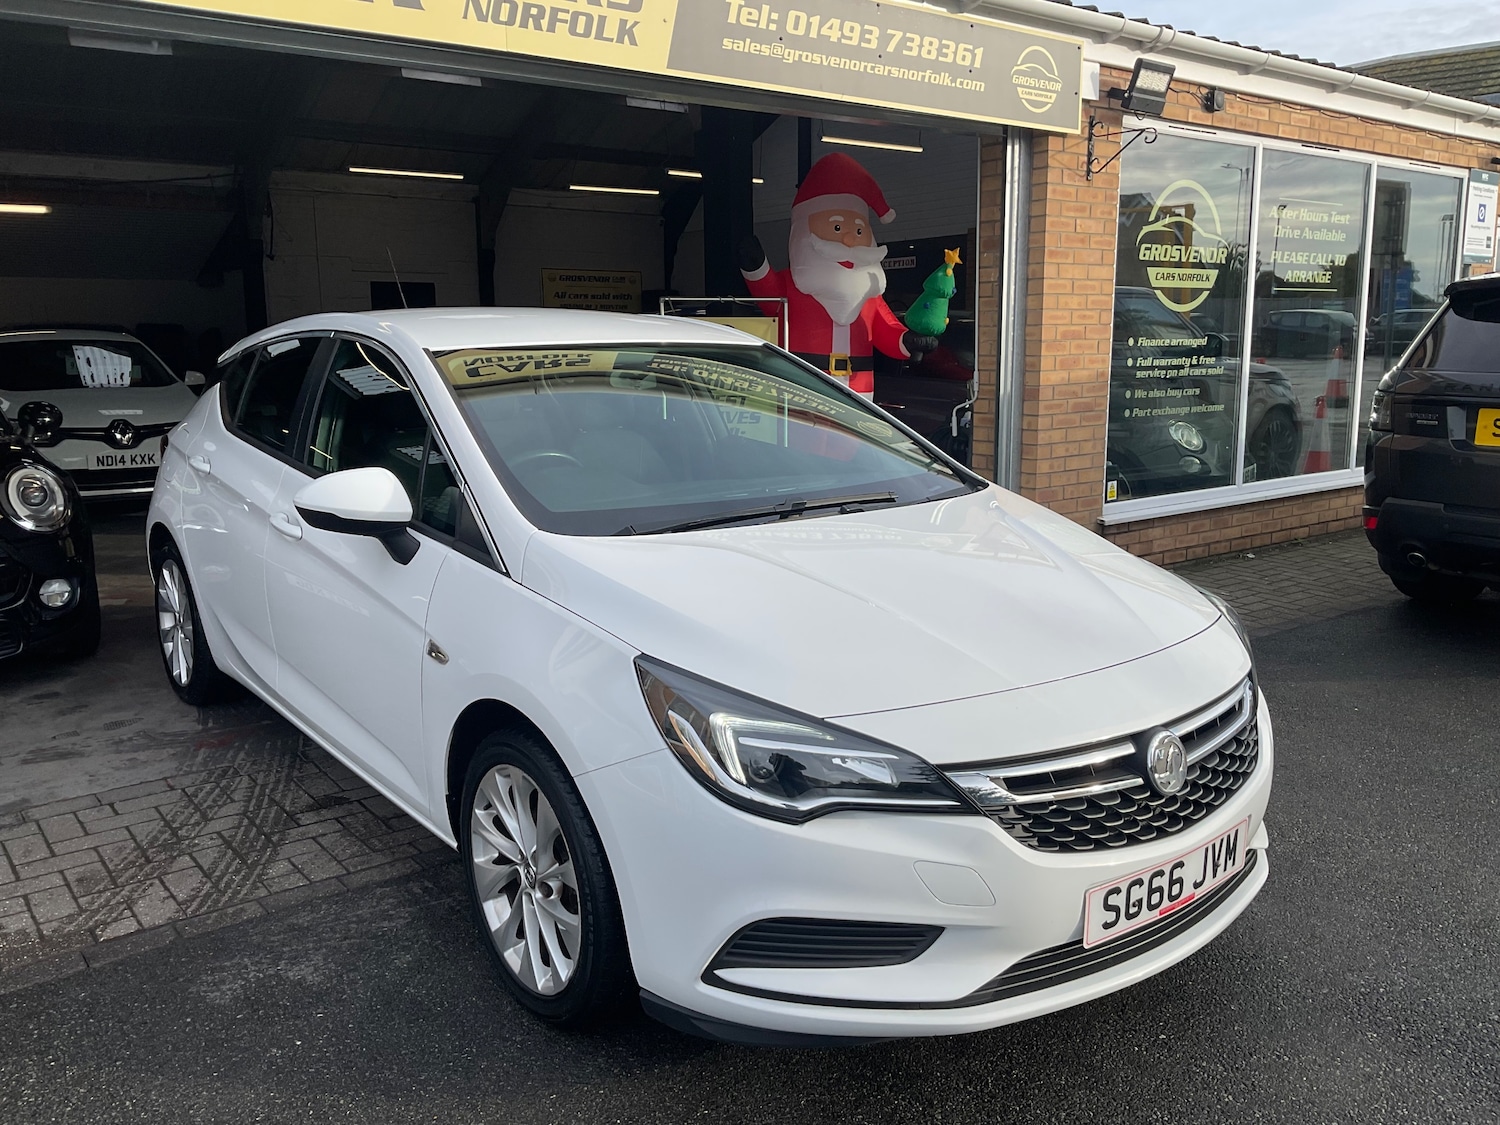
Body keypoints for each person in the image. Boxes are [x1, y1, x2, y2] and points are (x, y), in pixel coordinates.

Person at [738, 152, 937, 396]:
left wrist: (907, 341)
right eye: (837, 227)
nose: (849, 238)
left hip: (859, 390)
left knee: (854, 436)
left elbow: (886, 328)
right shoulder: (794, 284)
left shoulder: (869, 290)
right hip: (804, 386)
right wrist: (755, 266)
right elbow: (769, 296)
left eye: (858, 229)